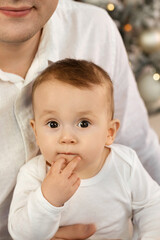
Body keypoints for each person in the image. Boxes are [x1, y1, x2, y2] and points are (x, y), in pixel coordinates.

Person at [0, 0, 160, 239]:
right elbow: (23, 232)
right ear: (35, 130)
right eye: (52, 125)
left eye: (83, 124)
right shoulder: (34, 175)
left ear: (110, 131)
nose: (67, 138)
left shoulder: (125, 164)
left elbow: (151, 203)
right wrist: (48, 200)